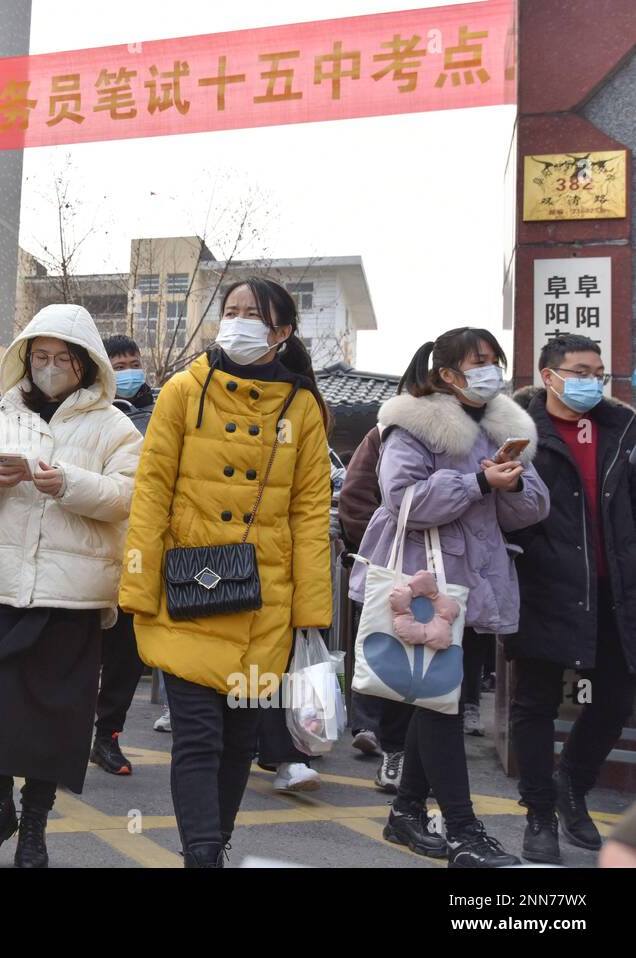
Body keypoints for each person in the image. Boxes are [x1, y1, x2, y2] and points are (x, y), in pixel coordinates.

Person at [120, 278, 333, 868]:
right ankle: (203, 854)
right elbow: (151, 490)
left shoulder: (302, 407)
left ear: (282, 332)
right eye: (231, 311)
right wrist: (138, 585)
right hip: (191, 588)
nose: (236, 322)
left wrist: (310, 615)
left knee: (239, 741)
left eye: (252, 315)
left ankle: (213, 844)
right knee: (198, 737)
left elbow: (312, 512)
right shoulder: (185, 391)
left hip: (264, 601)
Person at [0, 303, 141, 868]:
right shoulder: (0, 413)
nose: (50, 368)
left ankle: (33, 826)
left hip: (71, 601)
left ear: (85, 365)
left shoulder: (115, 425)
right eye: (41, 356)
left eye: (62, 359)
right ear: (26, 358)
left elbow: (128, 497)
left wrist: (68, 484)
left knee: (52, 726)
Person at [349, 326, 549, 868]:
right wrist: (480, 484)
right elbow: (404, 499)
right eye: (478, 361)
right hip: (425, 586)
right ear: (447, 374)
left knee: (445, 702)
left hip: (474, 586)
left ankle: (407, 811)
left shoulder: (502, 426)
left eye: (494, 360)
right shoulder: (412, 423)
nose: (490, 370)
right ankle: (462, 830)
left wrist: (511, 482)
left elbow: (532, 509)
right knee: (440, 708)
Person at [507, 333, 636, 864]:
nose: (592, 382)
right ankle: (539, 813)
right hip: (544, 584)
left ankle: (571, 786)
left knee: (616, 697)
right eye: (581, 371)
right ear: (548, 374)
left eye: (599, 373)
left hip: (616, 590)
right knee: (534, 703)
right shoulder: (517, 430)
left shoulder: (622, 428)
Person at [90, 333, 156, 775]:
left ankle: (107, 735)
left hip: (141, 551)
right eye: (119, 363)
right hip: (91, 544)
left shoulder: (162, 414)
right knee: (76, 647)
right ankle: (63, 731)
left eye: (134, 361)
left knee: (126, 653)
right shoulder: (87, 411)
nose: (130, 369)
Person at [338, 420, 415, 794]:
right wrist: (379, 545)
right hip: (388, 566)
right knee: (378, 648)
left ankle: (407, 751)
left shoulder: (476, 433)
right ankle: (372, 730)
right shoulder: (384, 433)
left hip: (447, 576)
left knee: (432, 669)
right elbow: (355, 496)